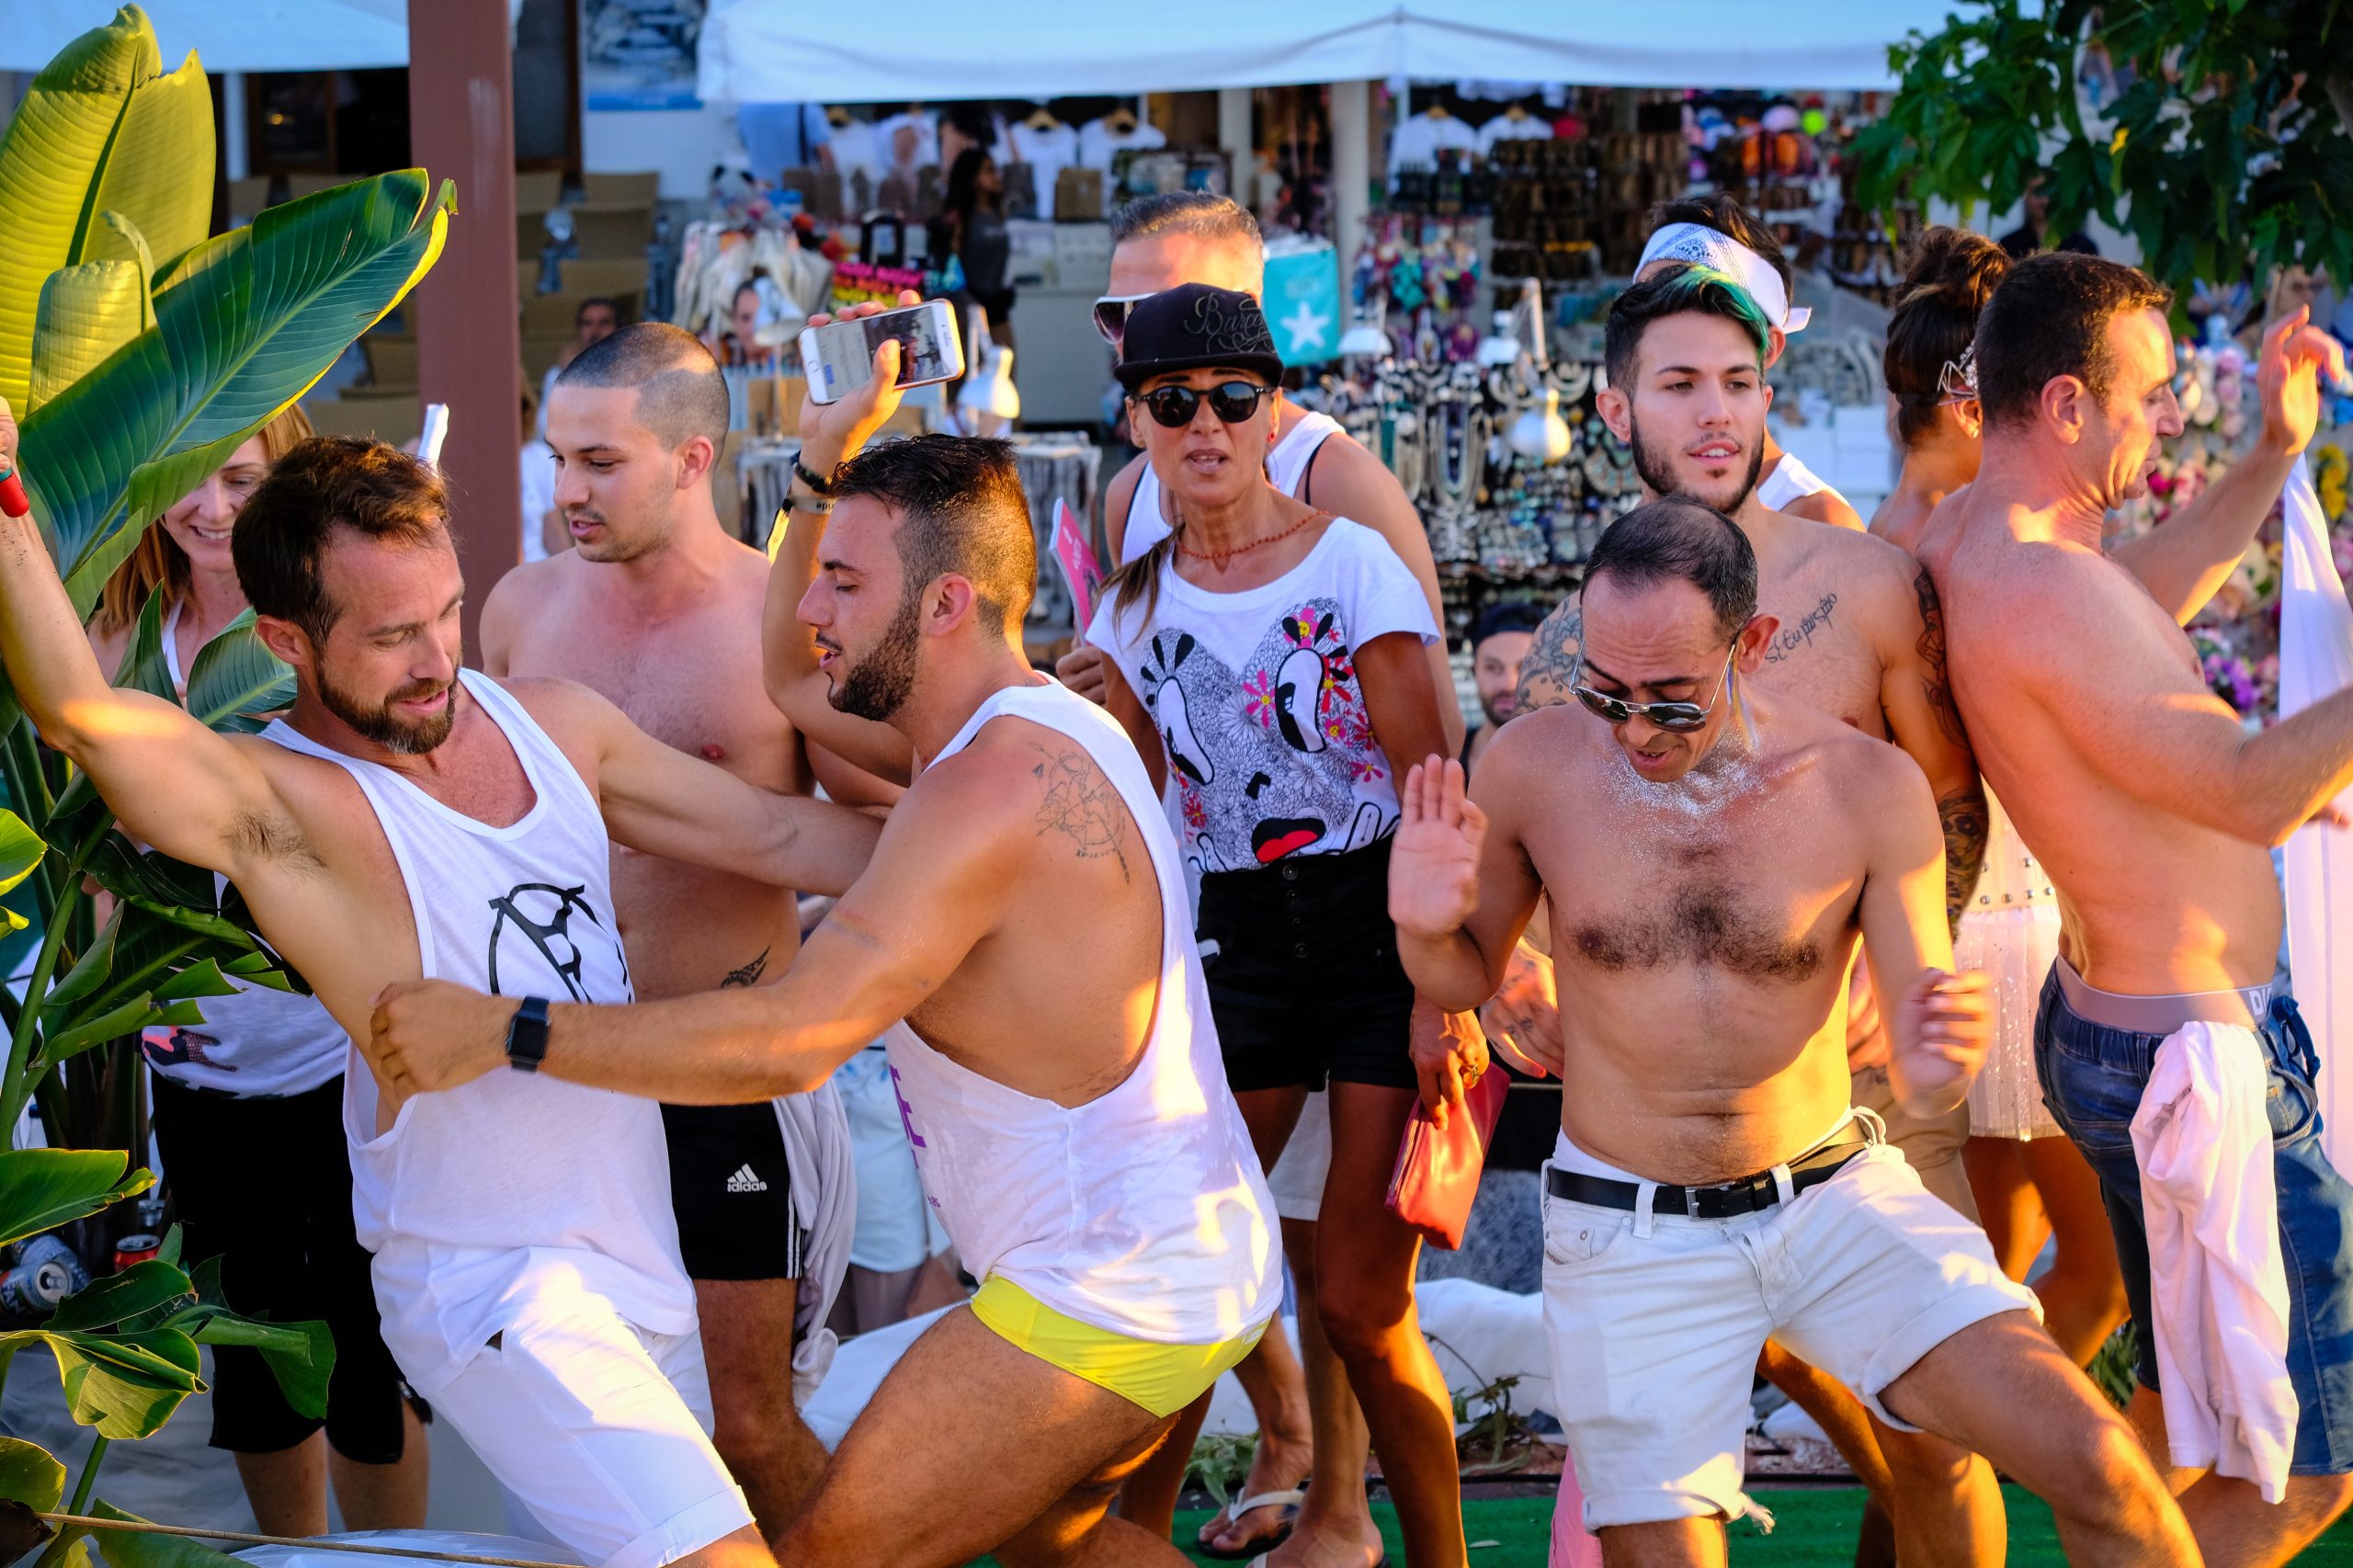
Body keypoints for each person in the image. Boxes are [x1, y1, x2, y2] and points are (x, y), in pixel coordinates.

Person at [363, 426, 1286, 1568]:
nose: (810, 606)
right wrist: (810, 477)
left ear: (944, 603)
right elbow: (786, 734)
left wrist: (506, 1031)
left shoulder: (983, 791)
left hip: (1113, 1280)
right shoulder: (1026, 726)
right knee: (1059, 1550)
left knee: (817, 1558)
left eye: (843, 581)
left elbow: (790, 1039)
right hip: (1175, 1245)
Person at [0, 411, 881, 1568]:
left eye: (446, 613)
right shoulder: (282, 805)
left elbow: (780, 834)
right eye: (391, 636)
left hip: (640, 1254)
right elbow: (80, 716)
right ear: (285, 639)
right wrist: (6, 492)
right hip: (495, 1289)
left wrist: (1009, 815)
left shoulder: (552, 721)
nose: (434, 661)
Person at [1387, 494, 2199, 1567]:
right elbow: (1459, 972)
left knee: (2104, 1470)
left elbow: (1920, 1048)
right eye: (1605, 689)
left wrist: (1939, 1046)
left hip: (1829, 1195)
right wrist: (1420, 921)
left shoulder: (1863, 784)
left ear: (1754, 643)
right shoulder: (1532, 768)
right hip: (1627, 1230)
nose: (1632, 728)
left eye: (1671, 698)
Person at [1513, 264, 1998, 1563]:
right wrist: (1508, 979)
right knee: (1715, 1431)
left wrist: (1904, 972)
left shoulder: (1867, 582)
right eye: (1679, 386)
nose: (1715, 414)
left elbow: (1949, 801)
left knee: (1936, 1443)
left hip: (1870, 1075)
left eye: (1737, 383)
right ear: (1617, 410)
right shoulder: (1578, 647)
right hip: (1669, 1128)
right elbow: (1528, 864)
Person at [1923, 250, 2353, 1563]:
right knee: (2308, 1469)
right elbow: (2246, 792)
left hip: (2125, 1029)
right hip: (2191, 1055)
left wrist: (2273, 455)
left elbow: (2133, 611)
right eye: (2150, 395)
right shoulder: (2042, 583)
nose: (2168, 417)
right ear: (2065, 403)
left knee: (2175, 1431)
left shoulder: (1986, 541)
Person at [1052, 189, 1444, 1567]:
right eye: (1172, 399)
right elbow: (1151, 795)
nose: (1205, 423)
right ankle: (1140, 1538)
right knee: (1190, 1262)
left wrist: (1448, 983)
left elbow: (1434, 780)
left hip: (1375, 924)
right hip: (1233, 939)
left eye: (1232, 395)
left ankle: (1399, 1534)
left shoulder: (1351, 545)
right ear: (1135, 414)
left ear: (1274, 404)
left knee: (1357, 1295)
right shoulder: (1132, 581)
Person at [481, 324, 841, 1538]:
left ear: (692, 459)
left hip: (725, 1070)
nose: (566, 491)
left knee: (750, 1422)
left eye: (599, 462)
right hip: (566, 1072)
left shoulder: (779, 626)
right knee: (608, 1424)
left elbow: (892, 828)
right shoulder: (521, 609)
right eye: (556, 459)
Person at [84, 405, 432, 1540]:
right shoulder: (119, 643)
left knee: (367, 1355)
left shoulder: (327, 633)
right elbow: (97, 850)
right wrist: (123, 987)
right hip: (199, 1062)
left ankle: (390, 1564)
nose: (211, 508)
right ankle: (294, 1561)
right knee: (252, 1350)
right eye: (190, 479)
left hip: (343, 1053)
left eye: (240, 478)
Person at [1870, 229, 2131, 1367]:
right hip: (2002, 925)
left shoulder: (1893, 540)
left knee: (1994, 1258)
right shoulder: (1964, 544)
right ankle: (2024, 1439)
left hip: (1959, 924)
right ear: (1973, 400)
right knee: (2096, 1266)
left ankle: (1977, 1449)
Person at [1636, 195, 1864, 530]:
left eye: (1702, 304)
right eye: (1645, 303)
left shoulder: (1818, 523)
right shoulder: (1654, 507)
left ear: (1768, 348)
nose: (1666, 322)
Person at [934, 148, 1016, 347]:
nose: (996, 176)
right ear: (972, 177)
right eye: (988, 171)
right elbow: (947, 266)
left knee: (1006, 362)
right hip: (967, 306)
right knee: (968, 365)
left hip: (996, 304)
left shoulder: (997, 214)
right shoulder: (957, 218)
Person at [1461, 601, 1545, 775]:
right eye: (1492, 667)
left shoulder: (1577, 769)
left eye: (1525, 667)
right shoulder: (1444, 757)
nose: (1509, 684)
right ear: (1474, 672)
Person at [540, 296, 625, 434]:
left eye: (604, 323)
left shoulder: (638, 372)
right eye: (587, 323)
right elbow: (545, 428)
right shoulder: (557, 374)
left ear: (620, 329)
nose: (595, 331)